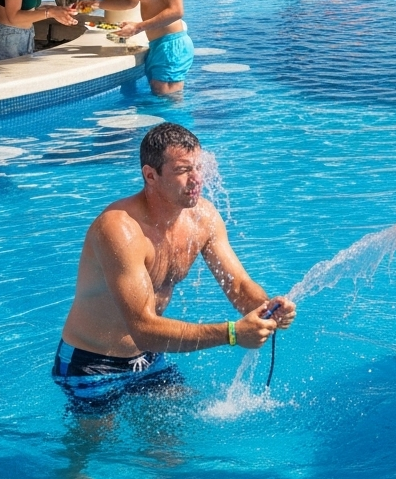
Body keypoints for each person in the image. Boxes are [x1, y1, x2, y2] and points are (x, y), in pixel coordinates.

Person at [53, 123, 296, 401]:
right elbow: (143, 329)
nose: (197, 179)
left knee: (178, 427)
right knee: (99, 432)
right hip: (92, 365)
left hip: (150, 356)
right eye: (183, 170)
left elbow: (239, 285)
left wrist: (266, 308)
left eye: (199, 167)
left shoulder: (202, 218)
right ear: (150, 175)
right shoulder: (120, 230)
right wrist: (232, 333)